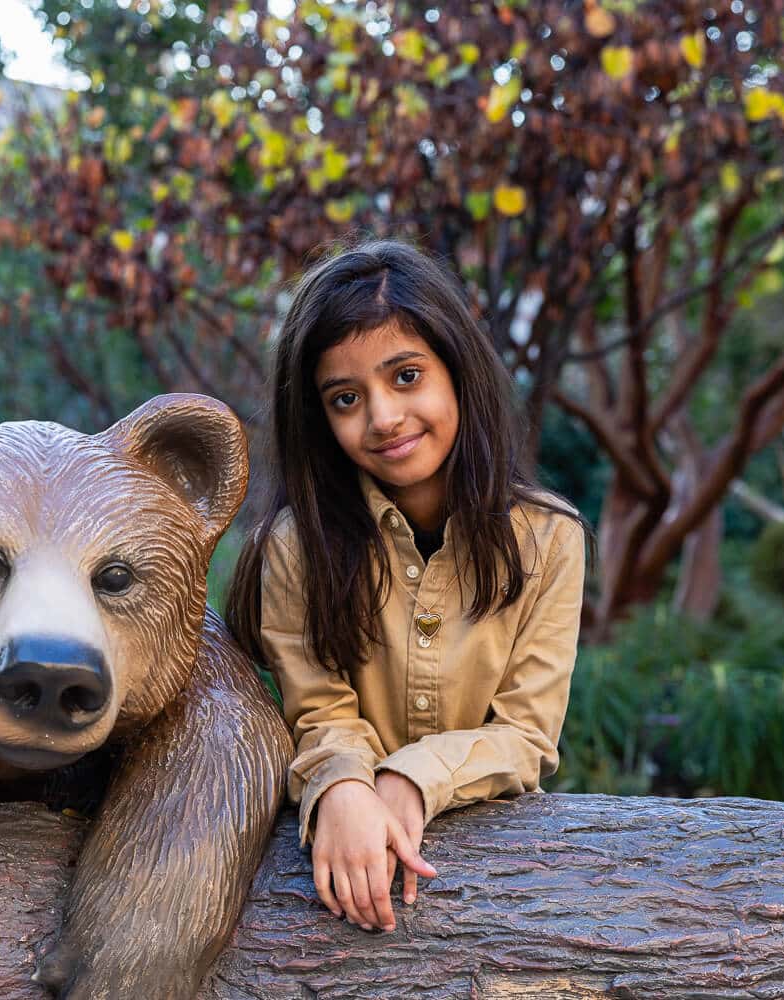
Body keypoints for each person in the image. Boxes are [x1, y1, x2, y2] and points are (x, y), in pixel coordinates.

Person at [226, 240, 588, 935]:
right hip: (335, 863)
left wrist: (411, 778)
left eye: (407, 376)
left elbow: (525, 735)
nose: (383, 417)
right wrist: (344, 786)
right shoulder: (298, 546)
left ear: (458, 371)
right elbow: (319, 713)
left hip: (498, 878)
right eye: (345, 398)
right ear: (320, 419)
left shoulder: (549, 539)